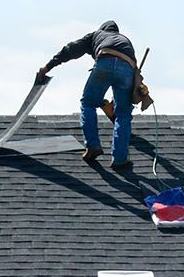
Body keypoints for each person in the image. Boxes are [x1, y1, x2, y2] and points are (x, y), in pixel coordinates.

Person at [37, 21, 145, 170]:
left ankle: (93, 145)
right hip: (127, 67)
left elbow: (70, 50)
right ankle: (119, 159)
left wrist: (47, 66)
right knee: (123, 115)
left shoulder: (96, 35)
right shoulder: (125, 41)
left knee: (88, 103)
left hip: (104, 61)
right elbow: (126, 73)